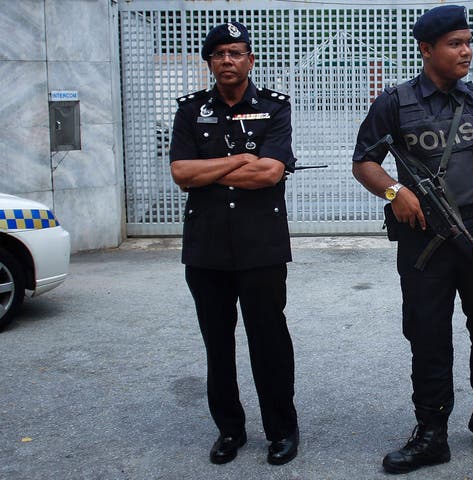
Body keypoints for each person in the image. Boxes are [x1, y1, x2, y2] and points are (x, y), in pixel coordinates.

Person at [352, 5, 473, 474]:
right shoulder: (395, 102)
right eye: (455, 43)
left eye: (468, 41)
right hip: (422, 237)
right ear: (426, 49)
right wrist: (394, 191)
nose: (466, 50)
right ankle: (431, 432)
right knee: (427, 333)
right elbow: (364, 161)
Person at [169, 21, 299, 466]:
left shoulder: (274, 108)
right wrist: (241, 158)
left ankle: (281, 430)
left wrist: (213, 168)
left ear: (250, 59)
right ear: (209, 62)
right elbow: (181, 174)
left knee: (269, 341)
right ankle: (230, 430)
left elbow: (269, 173)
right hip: (206, 248)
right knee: (217, 343)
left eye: (236, 52)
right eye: (219, 53)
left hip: (261, 245)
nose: (228, 60)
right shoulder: (190, 111)